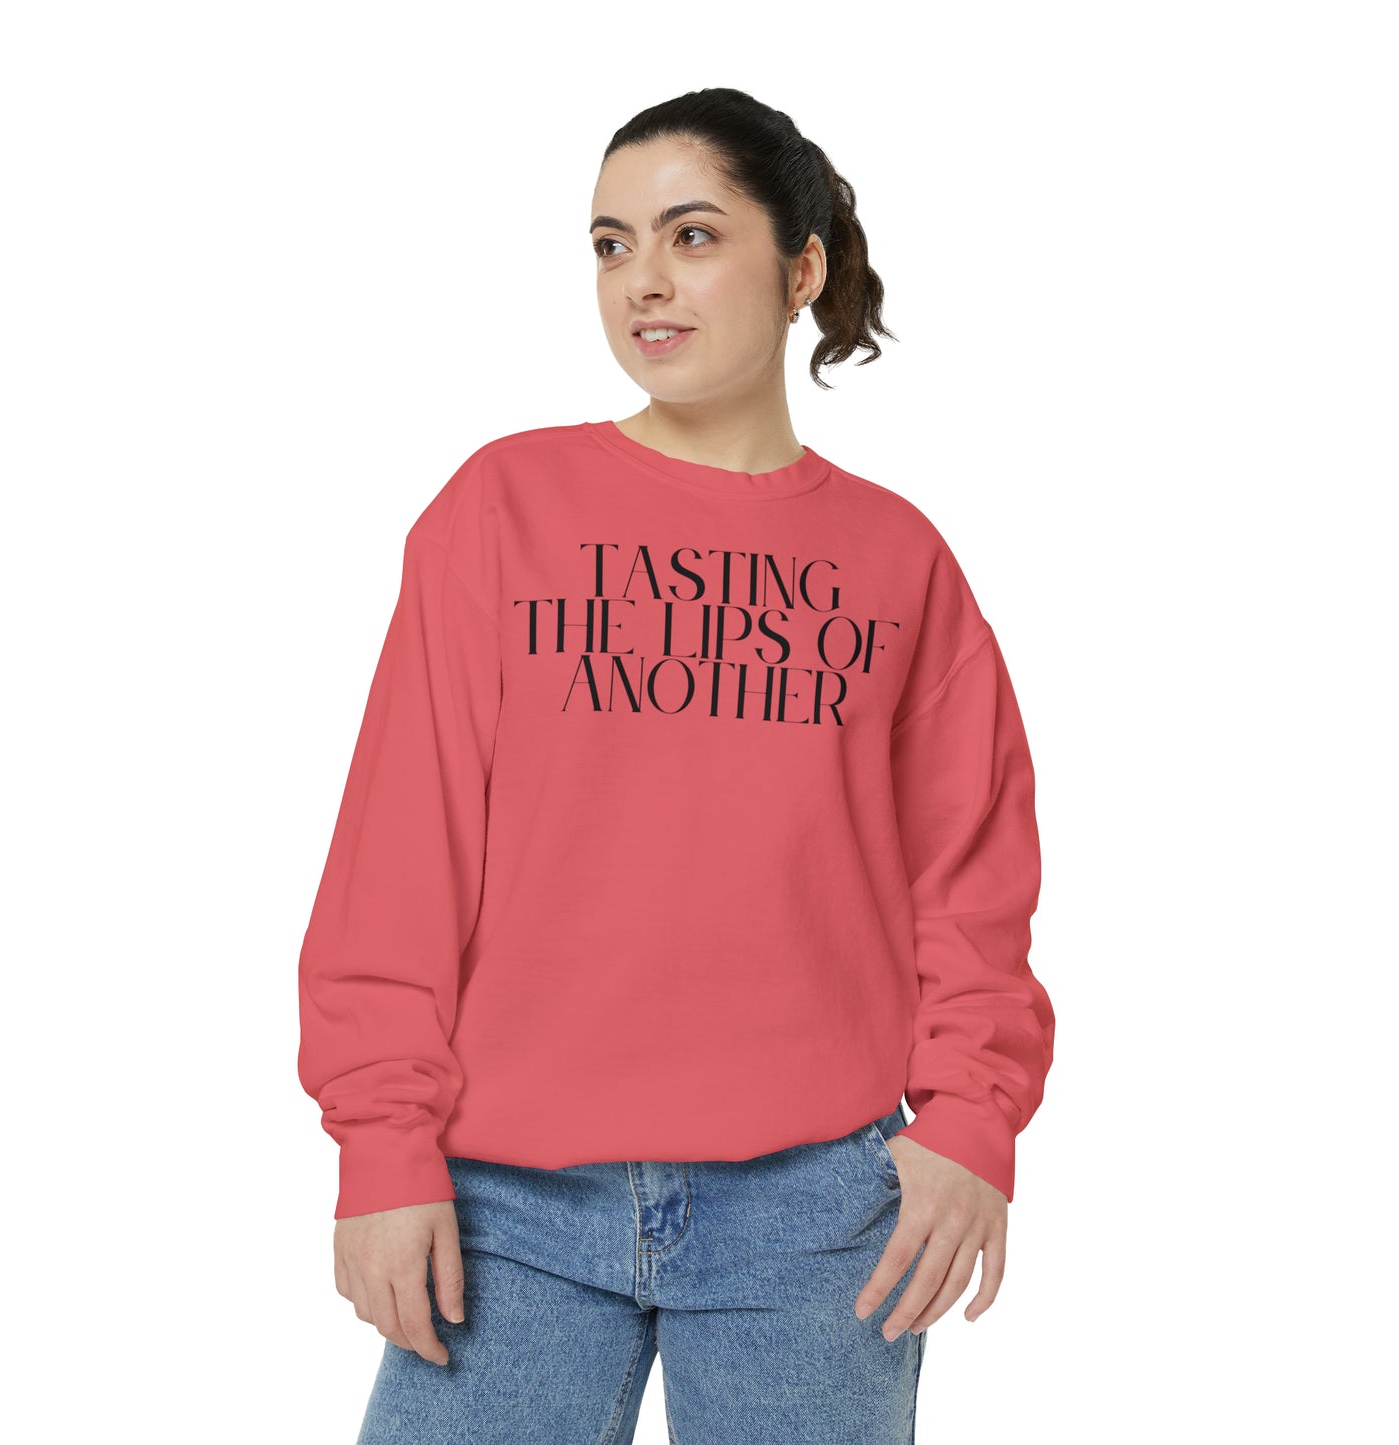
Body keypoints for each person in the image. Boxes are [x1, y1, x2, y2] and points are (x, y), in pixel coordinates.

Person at [297, 86, 1055, 1445]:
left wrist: (968, 1124)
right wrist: (381, 1145)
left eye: (691, 235)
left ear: (801, 267)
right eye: (610, 244)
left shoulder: (897, 560)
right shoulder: (501, 508)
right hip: (505, 1200)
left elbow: (972, 877)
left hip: (818, 1213)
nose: (641, 279)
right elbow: (400, 854)